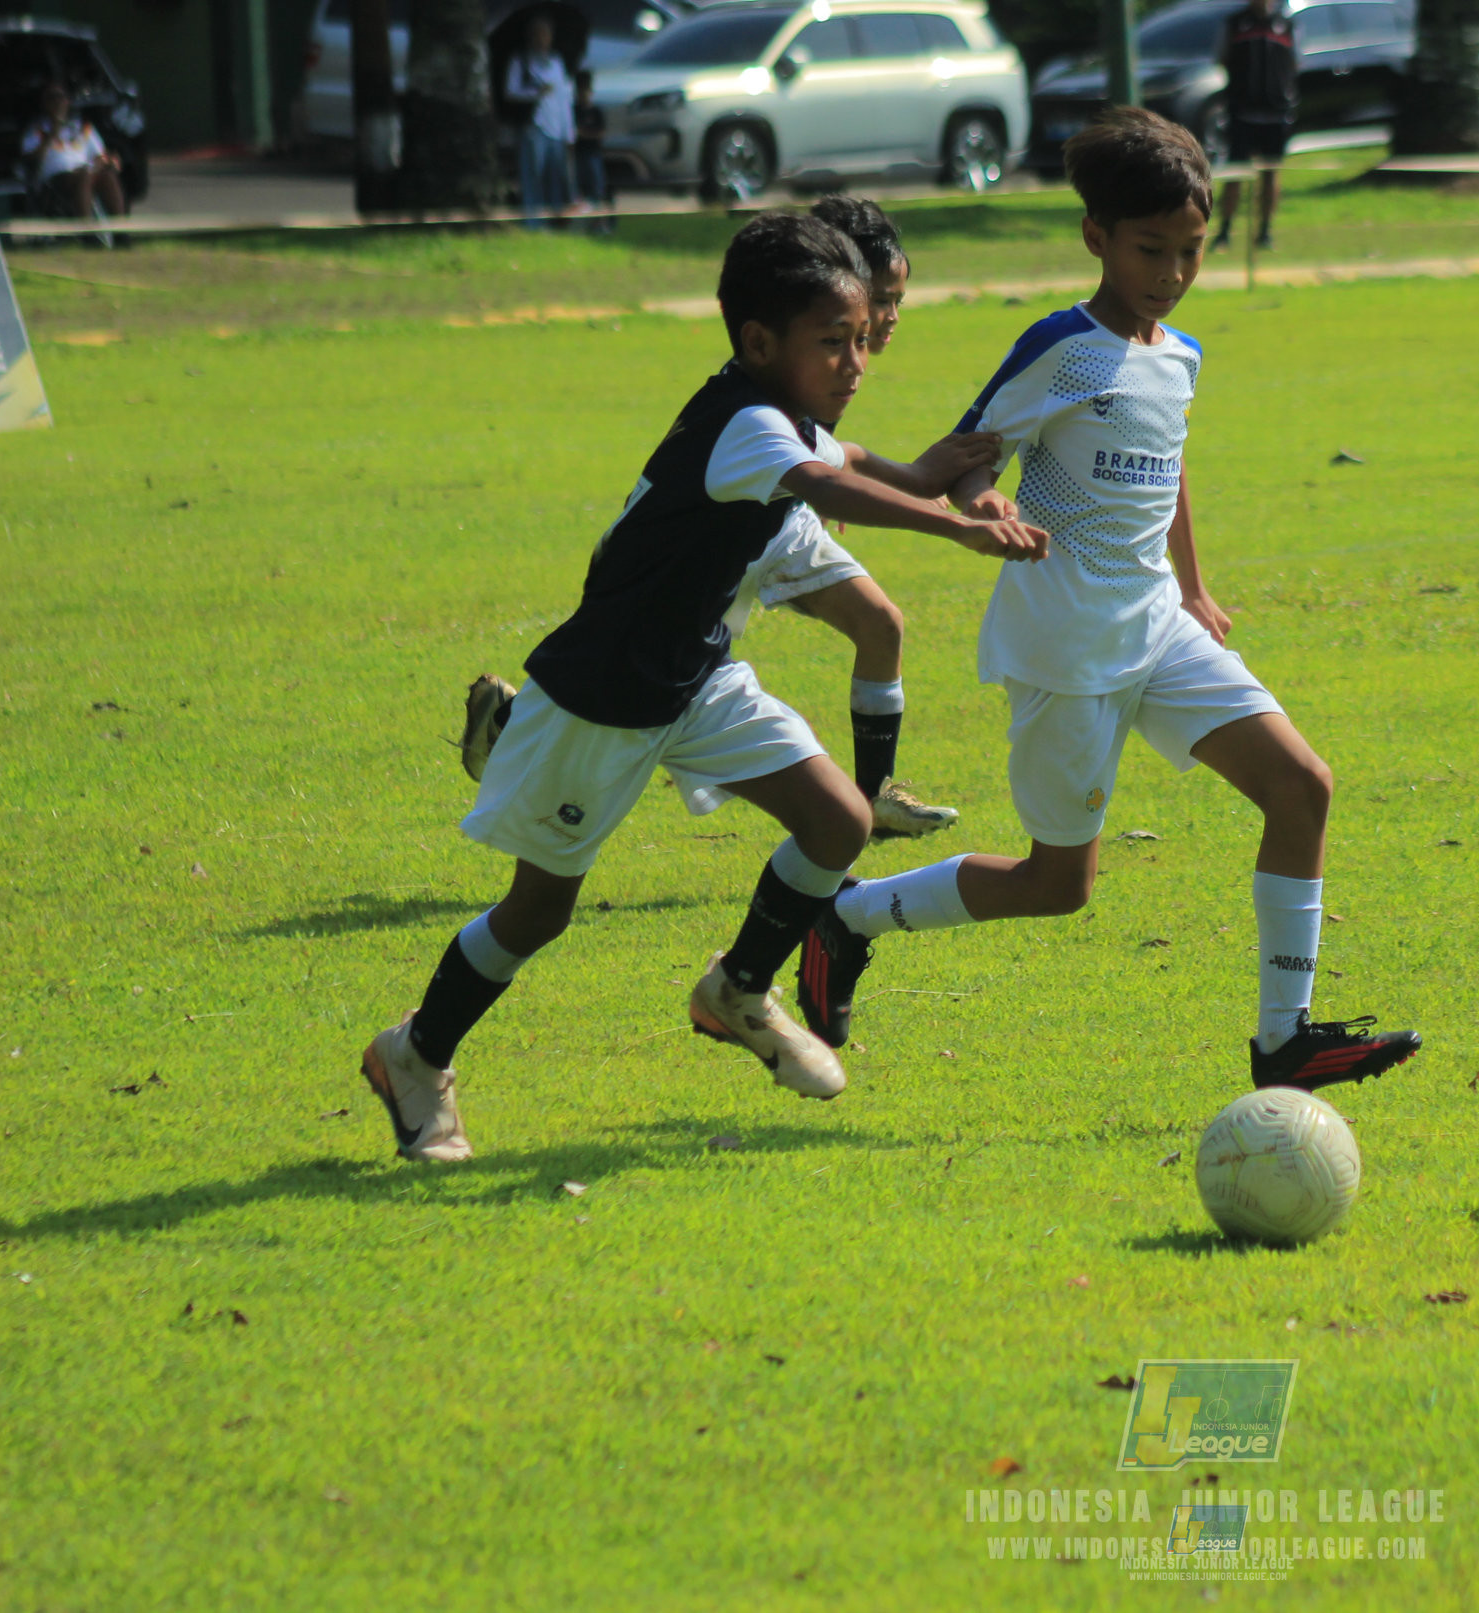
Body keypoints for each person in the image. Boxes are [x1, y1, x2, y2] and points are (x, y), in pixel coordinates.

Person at [363, 214, 1050, 1161]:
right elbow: (821, 480)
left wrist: (939, 475)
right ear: (758, 342)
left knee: (838, 822)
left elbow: (850, 460)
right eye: (832, 343)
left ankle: (736, 986)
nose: (856, 362)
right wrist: (951, 529)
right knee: (538, 912)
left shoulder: (787, 410)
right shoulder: (742, 424)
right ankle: (415, 1052)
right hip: (603, 693)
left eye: (862, 340)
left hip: (698, 677)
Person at [789, 109, 1422, 1094]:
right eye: (1149, 249)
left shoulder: (1181, 355)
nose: (1170, 271)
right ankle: (848, 915)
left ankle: (1283, 1039)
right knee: (1057, 886)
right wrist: (983, 499)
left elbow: (1166, 470)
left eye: (1189, 250)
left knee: (1303, 787)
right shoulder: (1061, 347)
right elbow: (967, 454)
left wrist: (1197, 587)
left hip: (1160, 627)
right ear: (1096, 238)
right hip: (1067, 645)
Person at [459, 198, 990, 842]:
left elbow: (828, 457)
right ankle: (525, 733)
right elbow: (807, 467)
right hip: (740, 521)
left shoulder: (824, 359)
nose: (887, 318)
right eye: (880, 297)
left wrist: (908, 478)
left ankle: (868, 801)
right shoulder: (764, 393)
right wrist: (862, 497)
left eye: (894, 301)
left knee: (875, 626)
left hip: (771, 510)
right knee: (666, 674)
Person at [1212, 0, 1297, 253]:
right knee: (1236, 173)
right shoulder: (1235, 23)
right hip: (1243, 113)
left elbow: (1294, 63)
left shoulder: (1287, 24)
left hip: (1276, 113)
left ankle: (1265, 232)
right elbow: (1221, 59)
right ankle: (1225, 231)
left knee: (1271, 173)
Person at [18, 81, 124, 224]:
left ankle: (121, 232)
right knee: (83, 176)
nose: (58, 102)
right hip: (55, 179)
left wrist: (108, 161)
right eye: (52, 97)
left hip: (86, 170)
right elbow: (32, 159)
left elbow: (99, 155)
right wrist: (53, 131)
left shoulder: (82, 126)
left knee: (108, 176)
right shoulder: (36, 130)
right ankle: (86, 231)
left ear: (68, 101)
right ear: (44, 104)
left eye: (61, 97)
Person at [506, 17, 574, 226]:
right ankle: (533, 222)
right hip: (534, 126)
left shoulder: (556, 62)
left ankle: (555, 219)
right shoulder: (521, 61)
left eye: (545, 35)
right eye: (537, 34)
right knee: (532, 176)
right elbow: (511, 92)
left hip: (556, 128)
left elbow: (564, 100)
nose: (541, 39)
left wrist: (569, 132)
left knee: (554, 177)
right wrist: (535, 93)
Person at [571, 69, 610, 219]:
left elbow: (600, 132)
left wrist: (583, 134)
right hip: (580, 153)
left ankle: (598, 215)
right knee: (581, 185)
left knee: (596, 184)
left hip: (593, 152)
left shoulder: (596, 111)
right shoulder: (574, 111)